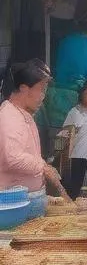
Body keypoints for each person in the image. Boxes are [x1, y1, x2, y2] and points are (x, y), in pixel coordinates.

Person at [0, 60, 63, 193]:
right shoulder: (9, 115)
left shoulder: (23, 114)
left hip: (28, 198)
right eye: (41, 90)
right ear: (24, 88)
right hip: (14, 203)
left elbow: (29, 155)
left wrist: (44, 167)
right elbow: (13, 158)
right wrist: (43, 167)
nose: (43, 96)